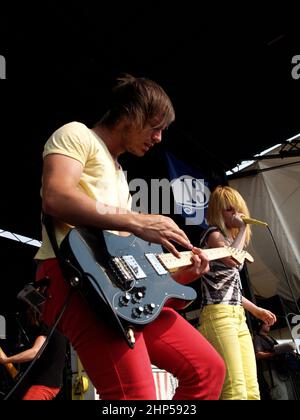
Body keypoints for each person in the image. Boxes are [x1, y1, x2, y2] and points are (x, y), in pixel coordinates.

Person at [34, 74, 226, 400]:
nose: (159, 137)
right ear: (130, 113)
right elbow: (55, 196)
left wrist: (180, 273)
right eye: (155, 126)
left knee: (207, 370)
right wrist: (137, 221)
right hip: (72, 277)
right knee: (134, 398)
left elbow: (124, 261)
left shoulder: (121, 173)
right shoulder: (76, 134)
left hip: (114, 288)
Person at [197, 185, 277, 400]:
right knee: (235, 390)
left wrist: (256, 309)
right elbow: (233, 260)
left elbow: (228, 289)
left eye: (238, 209)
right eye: (229, 210)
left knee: (252, 390)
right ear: (217, 212)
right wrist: (242, 229)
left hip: (236, 315)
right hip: (219, 315)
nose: (236, 215)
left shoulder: (231, 242)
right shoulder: (212, 234)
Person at [0, 307, 67, 400]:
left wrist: (6, 360)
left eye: (30, 312)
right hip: (47, 382)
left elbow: (35, 352)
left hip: (45, 383)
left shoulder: (49, 324)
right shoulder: (56, 325)